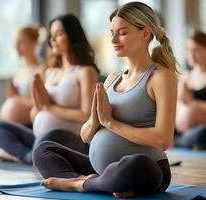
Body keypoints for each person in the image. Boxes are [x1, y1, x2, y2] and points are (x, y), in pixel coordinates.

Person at [33, 2, 178, 198]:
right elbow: (85, 136)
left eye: (122, 33)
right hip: (102, 168)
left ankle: (81, 184)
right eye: (112, 32)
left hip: (147, 169)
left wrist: (110, 122)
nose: (113, 39)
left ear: (145, 33)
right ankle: (101, 182)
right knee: (44, 150)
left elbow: (164, 140)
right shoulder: (112, 78)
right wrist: (94, 121)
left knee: (136, 165)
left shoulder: (161, 77)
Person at [0, 14, 99, 164]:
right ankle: (29, 156)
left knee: (47, 138)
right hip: (40, 137)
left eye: (59, 34)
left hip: (71, 139)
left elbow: (86, 115)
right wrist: (37, 105)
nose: (52, 40)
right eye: (51, 35)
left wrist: (49, 106)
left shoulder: (85, 71)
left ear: (73, 36)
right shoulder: (50, 71)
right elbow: (36, 115)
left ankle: (29, 155)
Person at [0, 25, 44, 140]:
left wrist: (16, 98)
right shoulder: (18, 71)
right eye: (16, 42)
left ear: (34, 43)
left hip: (26, 123)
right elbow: (13, 99)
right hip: (8, 120)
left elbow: (41, 104)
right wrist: (12, 96)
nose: (17, 46)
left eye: (22, 42)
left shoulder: (41, 70)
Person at [175, 31, 206, 150]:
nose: (191, 54)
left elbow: (191, 103)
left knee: (202, 133)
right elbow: (177, 108)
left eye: (196, 50)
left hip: (203, 128)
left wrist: (193, 103)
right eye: (188, 50)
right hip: (184, 130)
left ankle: (187, 142)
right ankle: (189, 141)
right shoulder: (186, 78)